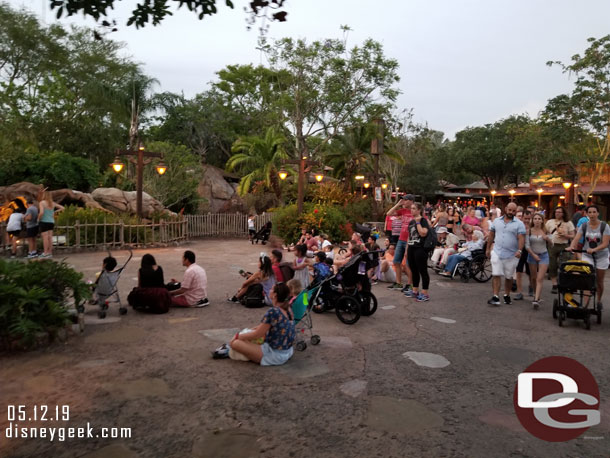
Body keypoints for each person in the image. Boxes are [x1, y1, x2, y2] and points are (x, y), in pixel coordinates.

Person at [229, 283, 296, 366]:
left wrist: (237, 336)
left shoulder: (273, 312)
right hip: (287, 351)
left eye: (271, 289)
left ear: (275, 295)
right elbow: (263, 328)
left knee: (235, 343)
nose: (269, 290)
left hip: (274, 355)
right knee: (247, 334)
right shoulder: (288, 309)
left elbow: (257, 334)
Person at [567, 205, 610, 308]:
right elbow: (576, 238)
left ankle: (598, 300)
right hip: (587, 255)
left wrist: (594, 250)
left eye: (594, 212)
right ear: (586, 214)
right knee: (587, 278)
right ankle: (585, 306)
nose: (592, 214)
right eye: (589, 212)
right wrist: (572, 246)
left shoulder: (604, 226)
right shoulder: (584, 225)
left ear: (598, 213)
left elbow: (605, 243)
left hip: (601, 255)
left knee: (599, 281)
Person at [486, 202, 526, 306]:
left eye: (514, 211)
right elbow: (491, 235)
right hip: (497, 251)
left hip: (512, 254)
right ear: (505, 209)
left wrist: (520, 250)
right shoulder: (496, 221)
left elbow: (521, 238)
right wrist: (487, 248)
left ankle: (507, 295)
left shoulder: (519, 224)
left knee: (508, 277)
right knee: (496, 274)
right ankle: (495, 297)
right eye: (510, 210)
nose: (511, 212)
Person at [386, 194, 414, 292]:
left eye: (405, 200)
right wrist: (398, 204)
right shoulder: (403, 211)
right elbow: (388, 214)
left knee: (408, 264)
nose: (404, 202)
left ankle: (410, 284)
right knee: (396, 261)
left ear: (411, 201)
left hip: (410, 240)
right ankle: (398, 283)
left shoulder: (414, 211)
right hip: (401, 239)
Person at [404, 203, 431, 302]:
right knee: (414, 270)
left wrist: (418, 222)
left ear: (419, 210)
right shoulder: (411, 222)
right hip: (411, 247)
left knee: (422, 271)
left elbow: (423, 233)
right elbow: (409, 236)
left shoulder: (423, 221)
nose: (412, 210)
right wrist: (407, 249)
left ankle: (425, 293)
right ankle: (415, 290)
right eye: (411, 208)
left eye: (414, 208)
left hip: (420, 248)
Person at [545, 206, 575, 294]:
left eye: (559, 212)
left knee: (564, 265)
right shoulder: (550, 222)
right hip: (553, 245)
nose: (557, 213)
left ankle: (563, 282)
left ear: (563, 213)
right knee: (552, 265)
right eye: (556, 212)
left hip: (564, 245)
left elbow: (573, 235)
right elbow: (545, 231)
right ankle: (554, 284)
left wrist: (566, 235)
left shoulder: (568, 223)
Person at [526, 213, 550, 309]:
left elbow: (552, 244)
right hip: (532, 255)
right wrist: (533, 255)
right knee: (533, 278)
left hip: (544, 255)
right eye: (535, 218)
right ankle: (536, 294)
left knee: (540, 278)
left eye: (539, 218)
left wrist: (547, 238)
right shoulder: (529, 231)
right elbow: (527, 246)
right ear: (533, 220)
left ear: (542, 220)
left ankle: (536, 299)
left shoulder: (545, 230)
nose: (536, 220)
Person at [38, 190, 64, 258]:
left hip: (44, 221)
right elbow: (62, 208)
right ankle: (50, 252)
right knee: (50, 237)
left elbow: (41, 213)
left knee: (45, 238)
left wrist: (38, 219)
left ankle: (45, 252)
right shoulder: (52, 203)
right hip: (51, 222)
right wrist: (55, 212)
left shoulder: (42, 203)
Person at [514, 210, 533, 300]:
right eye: (525, 218)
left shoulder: (533, 227)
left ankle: (531, 287)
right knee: (519, 271)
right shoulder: (518, 226)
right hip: (521, 250)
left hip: (530, 251)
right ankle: (519, 292)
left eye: (529, 219)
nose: (527, 220)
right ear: (522, 218)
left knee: (530, 272)